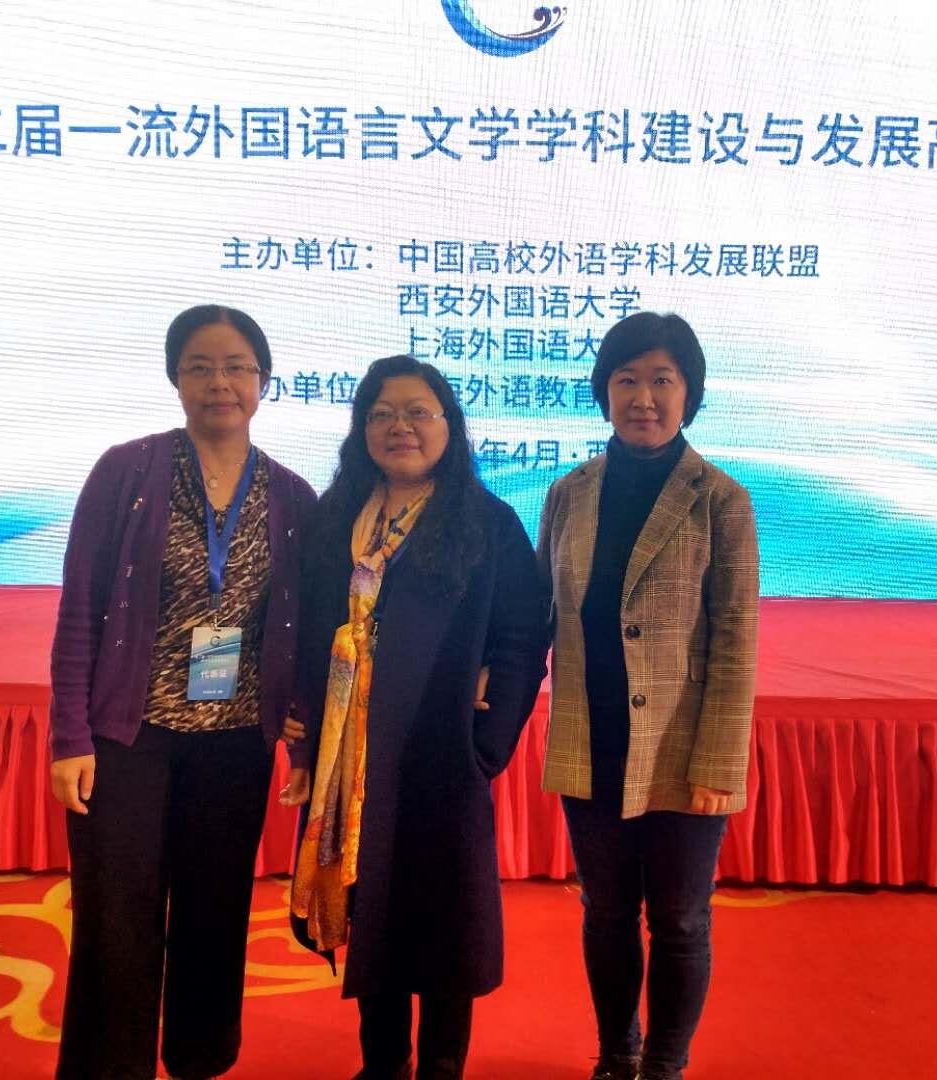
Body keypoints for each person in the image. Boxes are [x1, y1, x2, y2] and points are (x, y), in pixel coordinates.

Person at [48, 304, 317, 1079]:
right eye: (200, 366)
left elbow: (301, 631)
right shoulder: (126, 471)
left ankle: (201, 1059)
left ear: (264, 381)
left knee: (216, 910)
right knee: (116, 918)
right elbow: (79, 609)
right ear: (175, 378)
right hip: (127, 739)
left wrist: (301, 738)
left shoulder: (293, 497)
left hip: (235, 742)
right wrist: (69, 737)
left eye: (236, 366)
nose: (219, 382)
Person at [280, 354, 548, 1080]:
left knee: (444, 920)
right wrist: (301, 716)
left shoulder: (486, 523)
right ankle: (384, 1063)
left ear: (449, 426)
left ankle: (442, 1066)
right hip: (350, 758)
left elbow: (523, 636)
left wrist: (484, 745)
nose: (399, 427)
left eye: (417, 412)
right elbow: (304, 625)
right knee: (371, 909)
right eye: (381, 414)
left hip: (439, 756)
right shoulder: (336, 517)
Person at [537, 312, 759, 1080]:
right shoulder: (569, 494)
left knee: (680, 920)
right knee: (605, 913)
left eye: (662, 380)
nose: (643, 397)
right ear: (604, 391)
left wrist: (719, 763)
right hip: (591, 737)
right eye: (627, 380)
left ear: (689, 393)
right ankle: (616, 1054)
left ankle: (664, 1064)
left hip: (680, 747)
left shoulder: (721, 500)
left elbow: (735, 642)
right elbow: (538, 612)